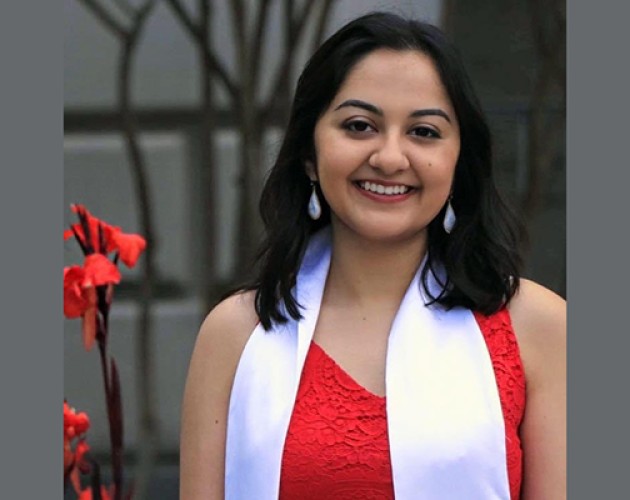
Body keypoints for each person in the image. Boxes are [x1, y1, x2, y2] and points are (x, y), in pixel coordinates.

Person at [180, 12, 566, 500]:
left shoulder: (538, 328)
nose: (389, 157)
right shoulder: (236, 334)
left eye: (424, 132)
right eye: (359, 126)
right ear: (308, 154)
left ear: (458, 161)